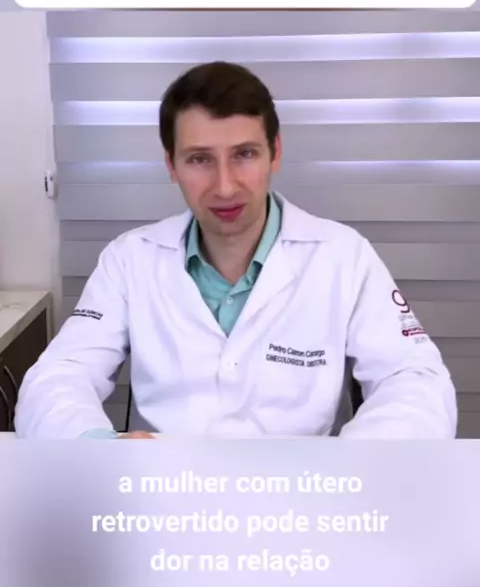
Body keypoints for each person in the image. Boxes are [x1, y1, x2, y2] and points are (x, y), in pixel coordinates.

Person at [15, 61, 457, 439]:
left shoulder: (343, 257)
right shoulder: (130, 260)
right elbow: (58, 377)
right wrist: (97, 446)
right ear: (171, 164)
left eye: (244, 154)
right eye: (199, 159)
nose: (225, 186)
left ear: (274, 152)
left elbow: (415, 381)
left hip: (303, 494)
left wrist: (352, 462)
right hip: (164, 491)